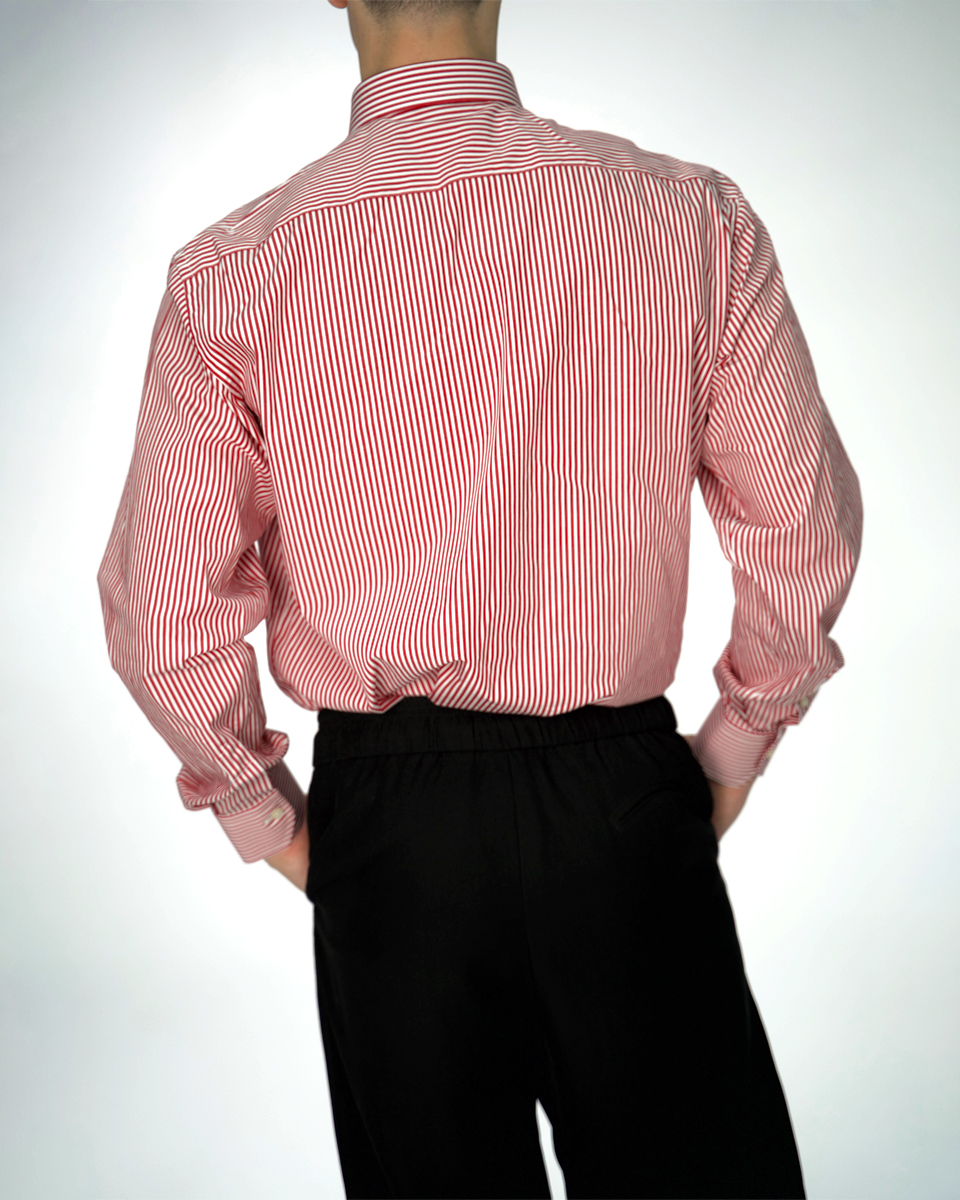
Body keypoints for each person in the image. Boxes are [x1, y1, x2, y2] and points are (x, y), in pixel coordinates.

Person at [98, 1, 862, 1196]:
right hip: (620, 800)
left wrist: (272, 816)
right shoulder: (684, 215)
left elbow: (162, 608)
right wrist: (733, 744)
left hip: (389, 822)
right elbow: (801, 520)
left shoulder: (233, 271)